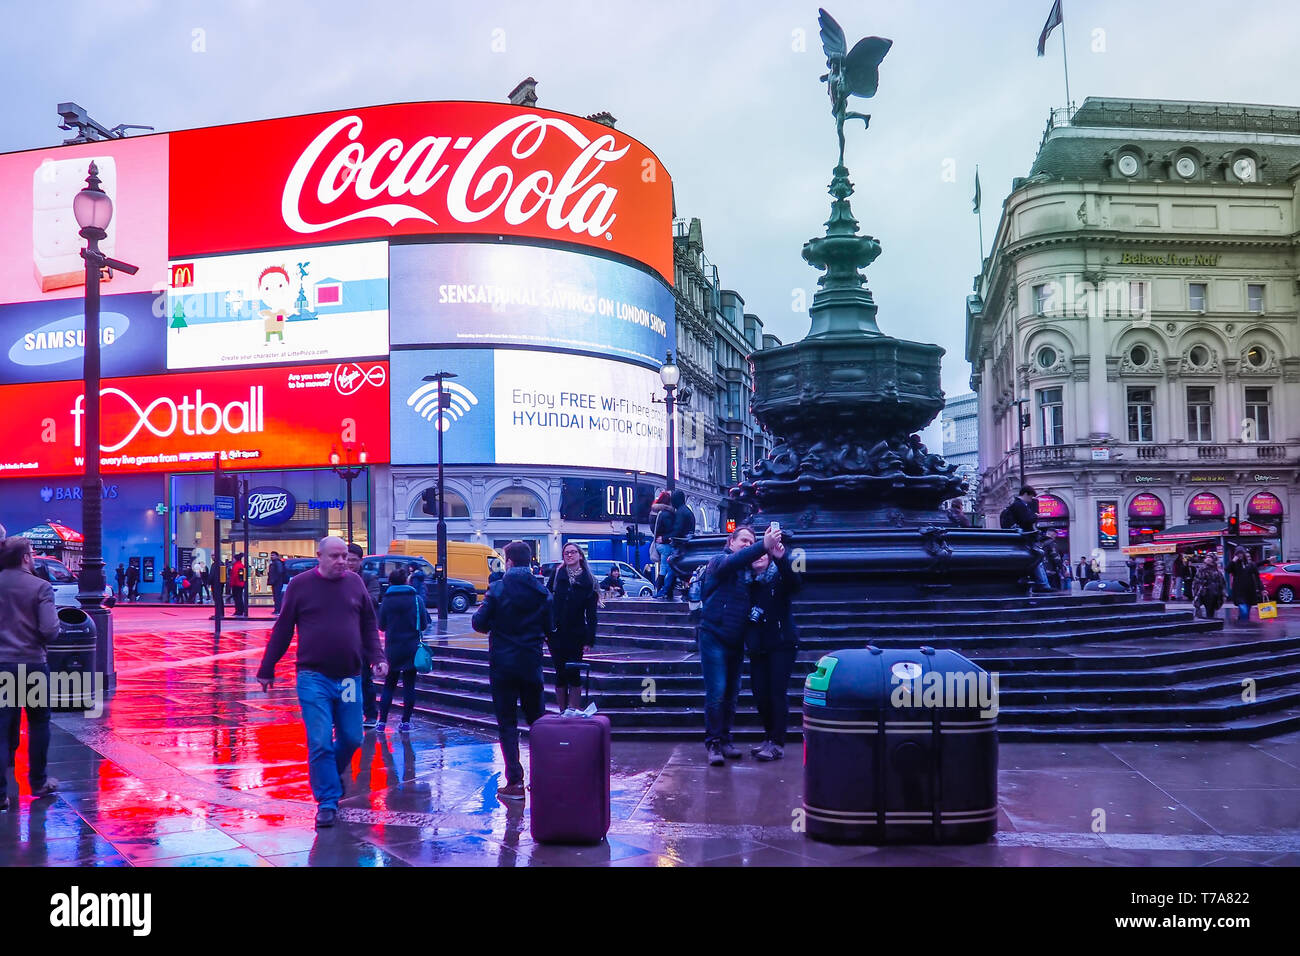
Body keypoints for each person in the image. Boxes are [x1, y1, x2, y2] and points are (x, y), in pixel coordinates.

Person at [257, 536, 386, 829]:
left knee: (353, 737)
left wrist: (377, 656)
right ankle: (327, 802)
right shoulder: (301, 586)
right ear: (320, 557)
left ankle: (328, 775)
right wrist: (267, 667)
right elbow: (283, 629)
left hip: (350, 676)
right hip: (313, 676)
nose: (342, 561)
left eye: (345, 556)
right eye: (335, 556)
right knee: (319, 741)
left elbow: (368, 623)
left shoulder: (355, 584)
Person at [471, 540, 553, 802]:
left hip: (503, 664)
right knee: (537, 721)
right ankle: (542, 777)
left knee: (507, 723)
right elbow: (551, 627)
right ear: (529, 561)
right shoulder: (541, 591)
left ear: (509, 561)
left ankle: (515, 781)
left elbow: (479, 624)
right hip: (531, 663)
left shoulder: (497, 588)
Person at [697, 523, 783, 766]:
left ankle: (725, 739)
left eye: (751, 541)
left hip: (736, 639)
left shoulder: (751, 573)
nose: (747, 544)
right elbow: (733, 563)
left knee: (731, 693)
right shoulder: (719, 561)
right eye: (743, 540)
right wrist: (761, 546)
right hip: (713, 634)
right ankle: (713, 742)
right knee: (717, 691)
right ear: (730, 542)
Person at [0, 536, 62, 810]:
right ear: (25, 557)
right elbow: (50, 631)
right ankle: (38, 781)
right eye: (32, 554)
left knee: (1, 727)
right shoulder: (40, 587)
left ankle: (1, 794)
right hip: (32, 665)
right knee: (38, 723)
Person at [745, 536, 802, 762]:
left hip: (781, 643)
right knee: (760, 694)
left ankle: (777, 742)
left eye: (763, 554)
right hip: (758, 646)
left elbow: (795, 583)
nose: (759, 558)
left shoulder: (778, 578)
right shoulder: (747, 584)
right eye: (755, 555)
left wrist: (782, 559)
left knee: (777, 693)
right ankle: (768, 737)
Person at [377, 567, 429, 733]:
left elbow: (381, 626)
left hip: (393, 648)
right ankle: (405, 722)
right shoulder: (416, 599)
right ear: (406, 581)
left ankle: (382, 722)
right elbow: (424, 624)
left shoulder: (387, 600)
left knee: (388, 686)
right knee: (409, 686)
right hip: (412, 647)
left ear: (391, 582)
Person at [548, 543, 599, 712]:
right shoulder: (557, 574)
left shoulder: (589, 580)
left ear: (580, 555)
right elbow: (546, 601)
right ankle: (563, 711)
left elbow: (592, 615)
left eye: (573, 552)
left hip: (577, 633)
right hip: (556, 633)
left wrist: (589, 640)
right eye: (566, 553)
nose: (569, 555)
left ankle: (573, 711)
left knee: (574, 673)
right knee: (560, 673)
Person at [346, 544, 380, 729]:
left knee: (365, 677)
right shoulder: (338, 578)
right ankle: (349, 714)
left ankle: (370, 713)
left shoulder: (368, 578)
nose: (350, 564)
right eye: (347, 559)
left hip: (362, 636)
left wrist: (351, 598)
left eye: (353, 560)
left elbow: (373, 599)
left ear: (360, 561)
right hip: (343, 636)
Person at [1006, 486, 1051, 592]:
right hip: (1025, 538)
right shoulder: (1019, 505)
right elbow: (1026, 520)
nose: (1031, 500)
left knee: (1034, 560)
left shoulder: (1017, 505)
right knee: (1037, 558)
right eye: (1030, 497)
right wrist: (1035, 516)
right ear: (1025, 494)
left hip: (1022, 538)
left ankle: (1042, 583)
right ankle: (1043, 584)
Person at [650, 491, 676, 597]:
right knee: (666, 568)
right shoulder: (667, 514)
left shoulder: (655, 511)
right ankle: (663, 590)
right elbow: (670, 529)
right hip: (665, 544)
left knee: (663, 567)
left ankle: (659, 589)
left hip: (658, 543)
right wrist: (665, 538)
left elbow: (653, 527)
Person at [1228, 548, 1263, 623]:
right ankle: (1244, 624)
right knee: (1244, 610)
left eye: (1241, 553)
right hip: (1239, 591)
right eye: (1238, 554)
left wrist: (1262, 589)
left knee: (1246, 611)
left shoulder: (1251, 565)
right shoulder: (1234, 564)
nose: (1240, 555)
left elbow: (1257, 577)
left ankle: (1241, 622)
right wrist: (1233, 561)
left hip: (1249, 591)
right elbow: (1227, 570)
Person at [1192, 553, 1227, 619]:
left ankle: (1210, 622)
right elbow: (1196, 582)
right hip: (1205, 593)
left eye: (1210, 557)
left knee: (1211, 611)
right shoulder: (1202, 570)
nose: (1208, 559)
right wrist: (1196, 593)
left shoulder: (1217, 571)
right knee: (1208, 610)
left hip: (1215, 593)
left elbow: (1222, 583)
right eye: (1207, 557)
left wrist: (1223, 594)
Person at [267, 551, 287, 615]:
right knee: (276, 597)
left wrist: (274, 579)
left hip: (277, 582)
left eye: (273, 555)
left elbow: (279, 572)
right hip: (275, 582)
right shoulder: (274, 563)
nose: (271, 556)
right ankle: (277, 609)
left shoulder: (277, 563)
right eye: (271, 555)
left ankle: (278, 610)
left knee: (277, 597)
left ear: (277, 556)